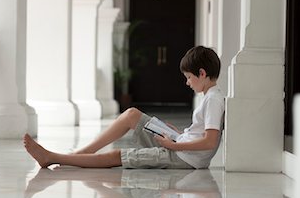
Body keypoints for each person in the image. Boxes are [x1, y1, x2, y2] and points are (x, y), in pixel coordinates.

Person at [24, 45, 225, 169]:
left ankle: (52, 157)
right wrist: (178, 134)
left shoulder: (213, 99)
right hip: (180, 145)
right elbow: (202, 135)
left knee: (117, 156)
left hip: (183, 158)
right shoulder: (210, 96)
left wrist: (174, 145)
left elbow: (209, 142)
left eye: (189, 77)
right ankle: (81, 154)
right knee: (131, 115)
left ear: (201, 73)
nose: (187, 83)